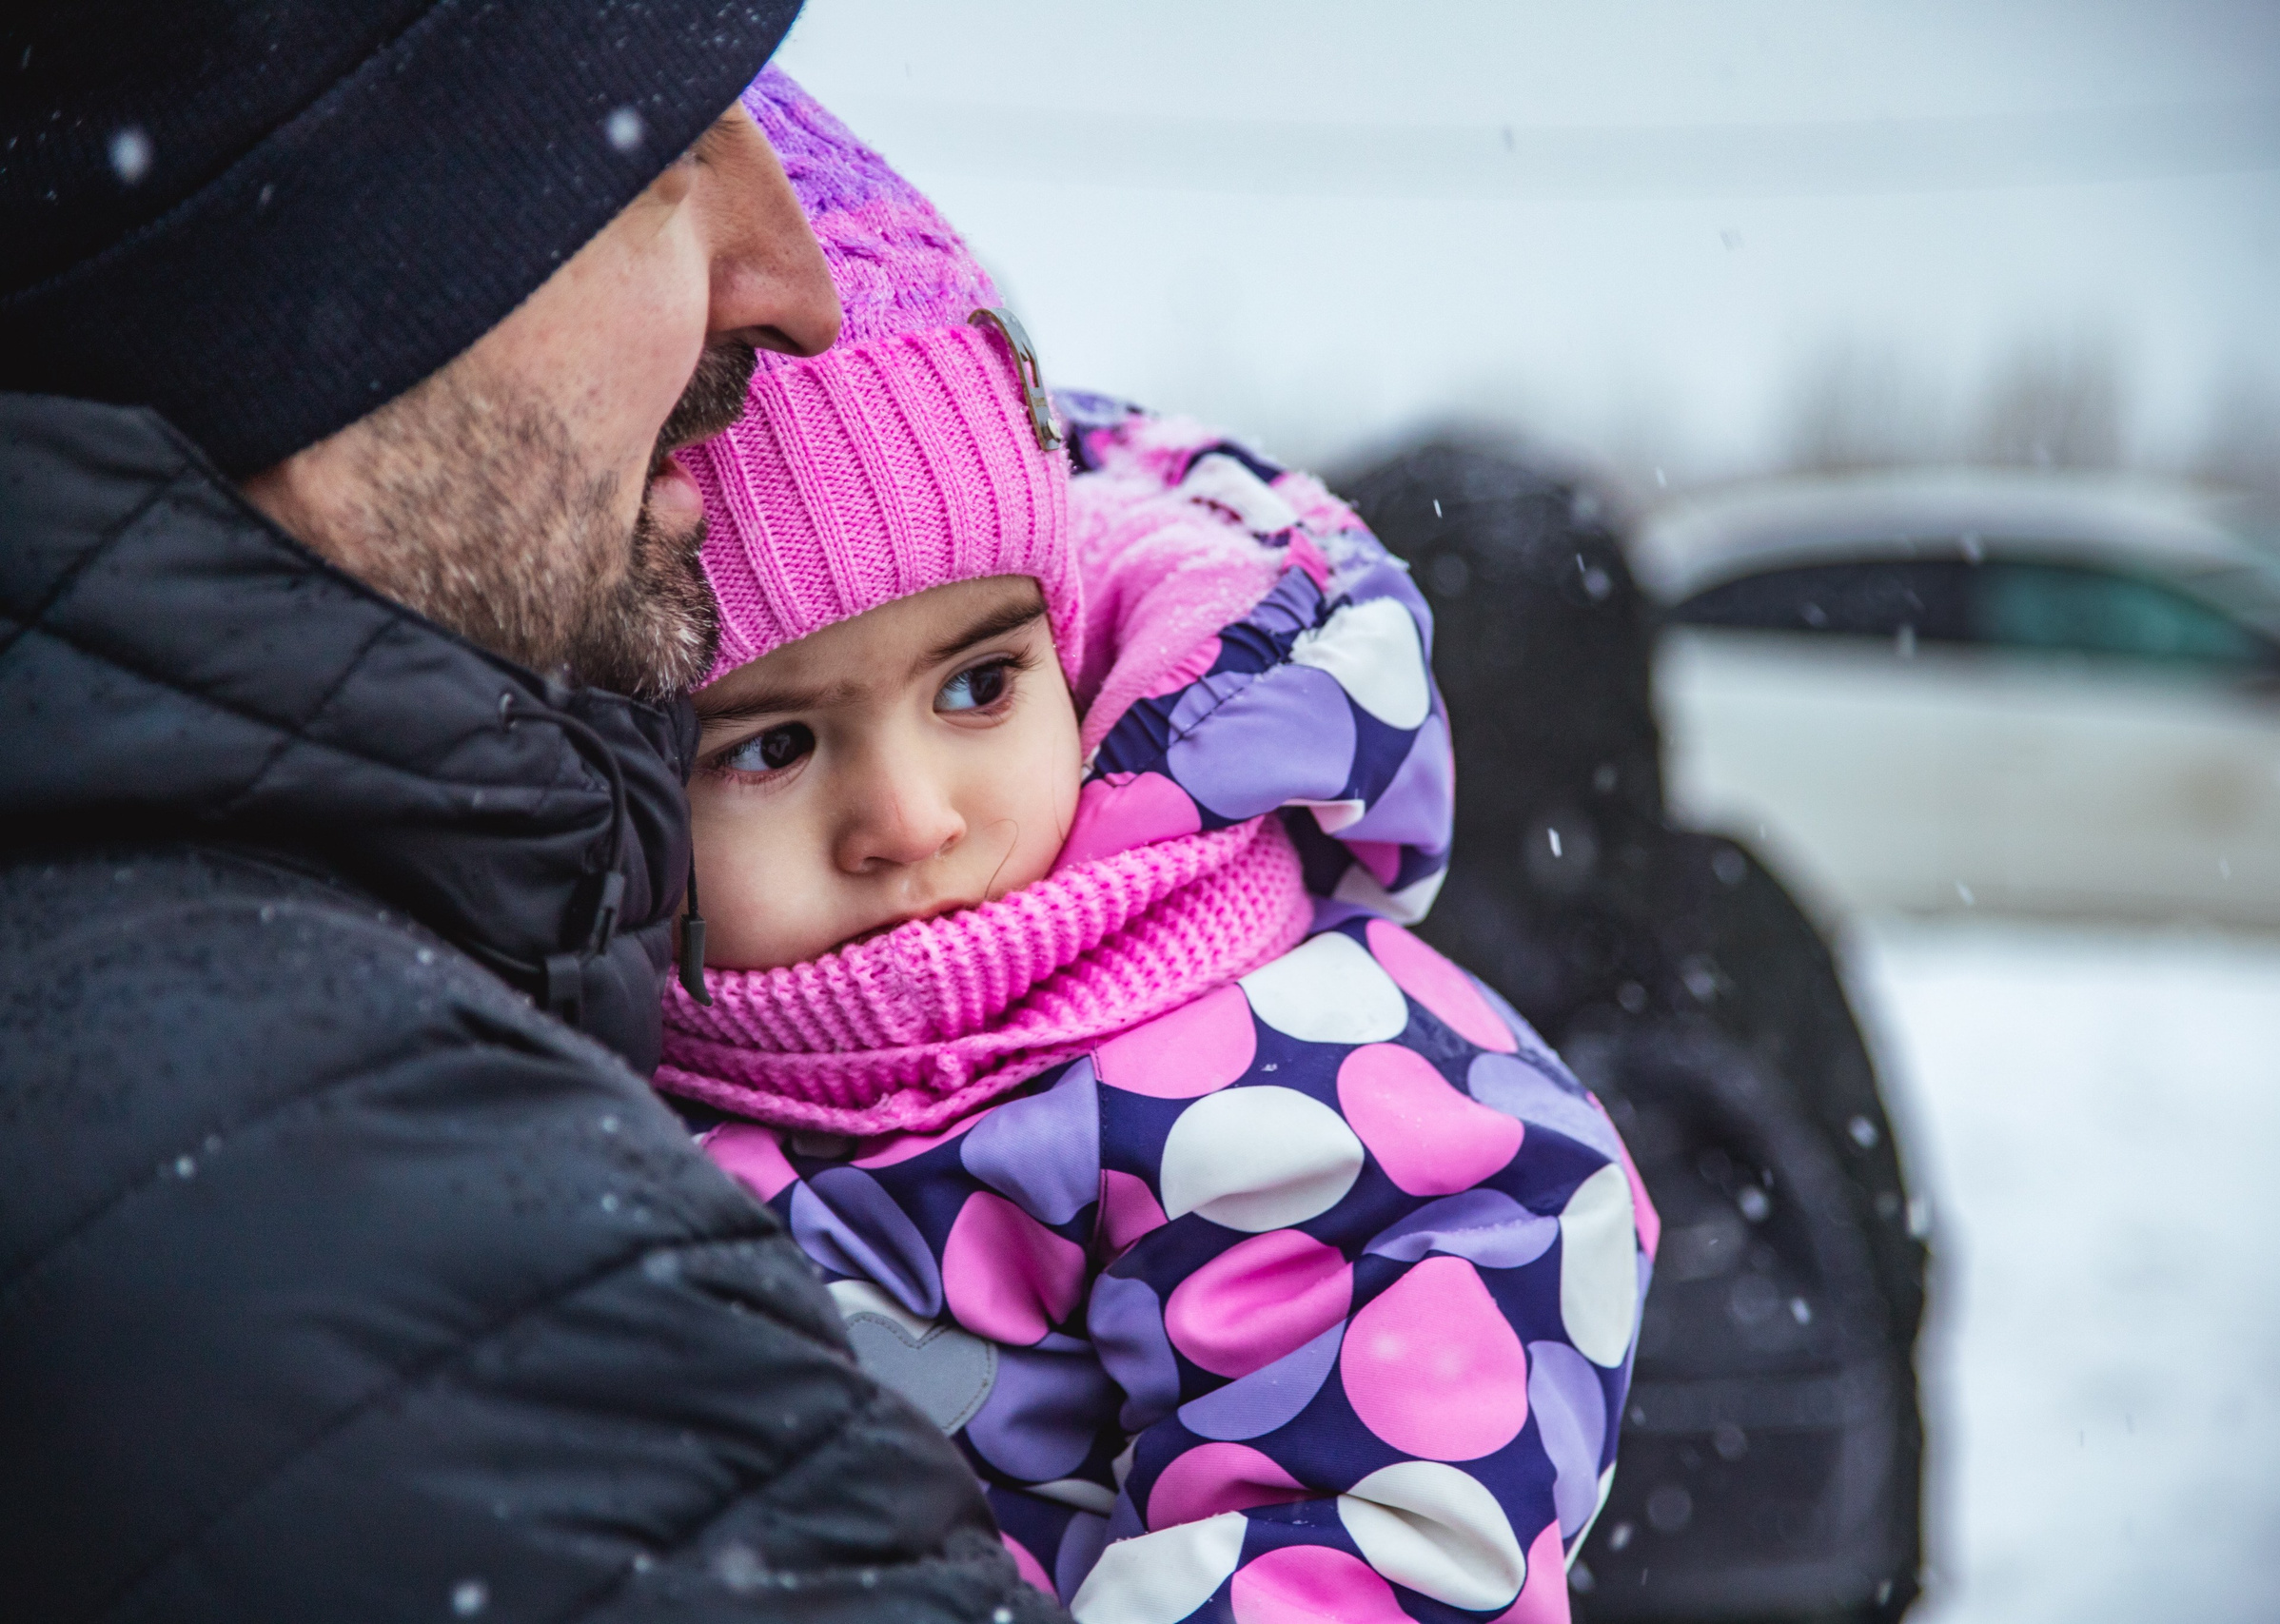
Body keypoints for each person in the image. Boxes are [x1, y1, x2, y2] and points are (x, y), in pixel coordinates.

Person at [0, 5, 1059, 1618]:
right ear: (304, 259)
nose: (796, 282)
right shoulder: (462, 1291)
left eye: (983, 681)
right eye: (661, 157)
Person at [656, 72, 1661, 1624]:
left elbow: (1385, 1523)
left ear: (1073, 648)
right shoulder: (576, 1030)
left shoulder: (1257, 1063)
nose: (911, 818)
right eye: (772, 745)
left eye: (980, 686)